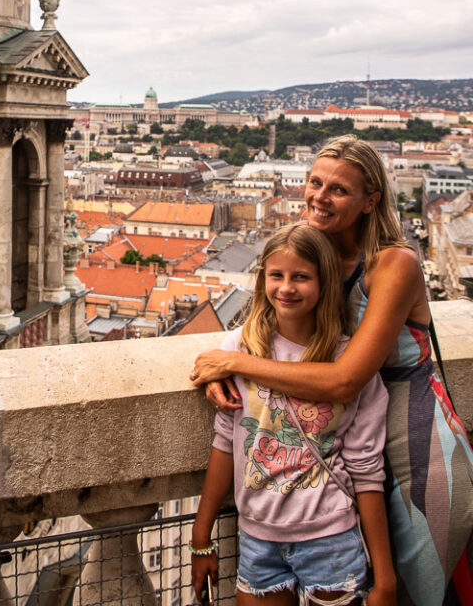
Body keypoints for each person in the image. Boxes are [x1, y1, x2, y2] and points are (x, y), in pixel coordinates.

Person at [190, 135, 473, 606]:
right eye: (315, 182)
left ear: (370, 202)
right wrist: (220, 365)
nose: (319, 196)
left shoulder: (393, 262)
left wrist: (236, 363)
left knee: (421, 592)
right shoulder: (312, 252)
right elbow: (265, 325)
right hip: (345, 431)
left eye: (338, 189)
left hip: (414, 437)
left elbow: (345, 379)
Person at [190, 222, 394, 606]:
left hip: (330, 538)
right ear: (262, 278)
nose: (286, 288)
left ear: (324, 283)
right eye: (276, 275)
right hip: (258, 540)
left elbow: (367, 470)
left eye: (301, 277)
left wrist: (384, 577)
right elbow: (225, 444)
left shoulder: (350, 363)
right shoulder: (238, 346)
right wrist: (201, 539)